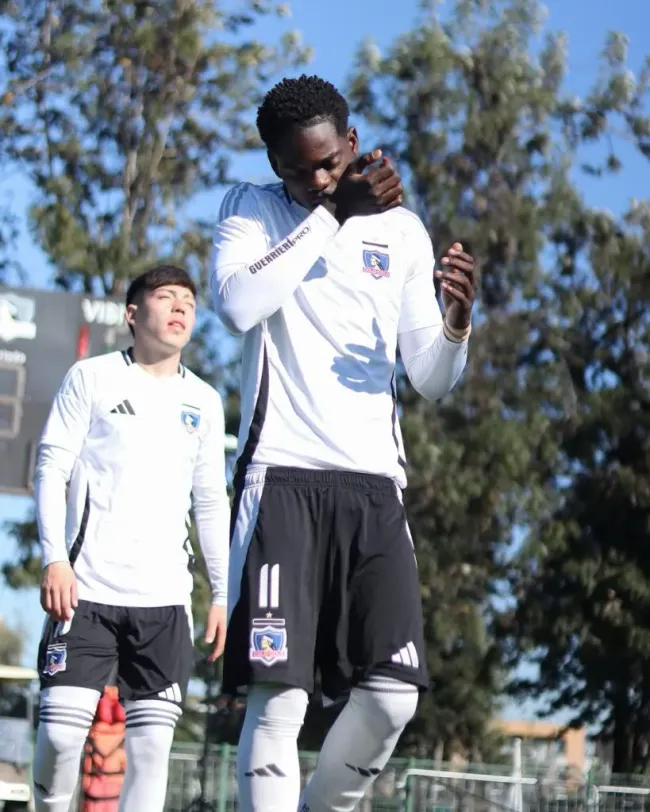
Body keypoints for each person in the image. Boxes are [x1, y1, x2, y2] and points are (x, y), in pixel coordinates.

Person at [211, 74, 477, 812]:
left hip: (373, 489)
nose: (315, 179)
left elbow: (430, 377)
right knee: (278, 695)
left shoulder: (403, 231)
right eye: (297, 169)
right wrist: (333, 212)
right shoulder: (251, 210)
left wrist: (456, 324)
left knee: (393, 698)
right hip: (282, 480)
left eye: (328, 162)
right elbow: (238, 307)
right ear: (274, 166)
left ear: (352, 145)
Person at [32, 265, 230, 812]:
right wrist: (54, 558)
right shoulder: (91, 377)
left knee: (151, 753)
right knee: (61, 737)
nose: (179, 307)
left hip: (164, 604)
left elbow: (211, 501)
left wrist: (220, 592)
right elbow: (50, 467)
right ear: (133, 314)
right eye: (165, 297)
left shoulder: (206, 403)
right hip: (85, 592)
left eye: (188, 301)